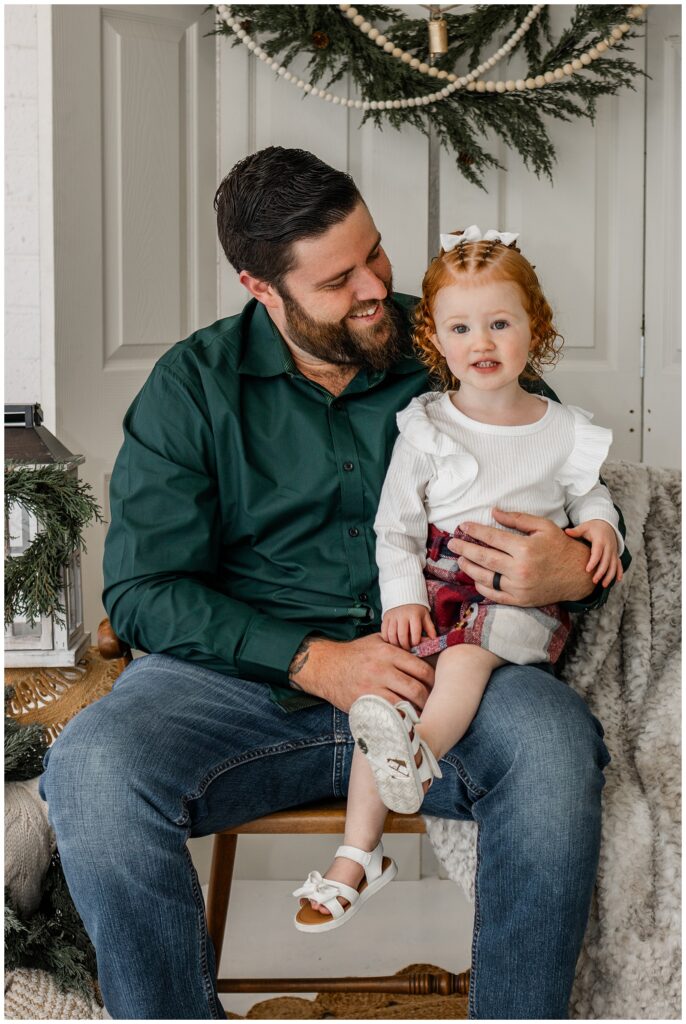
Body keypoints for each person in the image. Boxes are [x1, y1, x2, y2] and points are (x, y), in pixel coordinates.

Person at [39, 147, 630, 1020]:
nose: (374, 287)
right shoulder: (191, 388)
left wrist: (568, 569)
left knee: (552, 747)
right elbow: (144, 589)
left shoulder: (450, 336)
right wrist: (312, 659)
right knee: (91, 768)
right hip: (240, 689)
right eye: (337, 279)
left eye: (375, 254)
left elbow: (563, 489)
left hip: (450, 670)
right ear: (261, 288)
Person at [292, 227, 626, 934]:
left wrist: (600, 528)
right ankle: (358, 854)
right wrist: (406, 599)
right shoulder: (427, 426)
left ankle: (421, 756)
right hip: (437, 584)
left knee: (470, 657)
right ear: (436, 340)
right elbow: (397, 529)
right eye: (462, 327)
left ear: (536, 330)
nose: (483, 342)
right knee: (382, 700)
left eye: (501, 323)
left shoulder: (563, 430)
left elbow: (589, 494)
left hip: (511, 596)